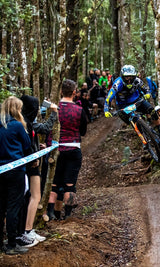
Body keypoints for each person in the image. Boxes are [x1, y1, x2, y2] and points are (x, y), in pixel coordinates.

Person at [19, 95, 57, 246]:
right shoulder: (25, 123)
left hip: (28, 163)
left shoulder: (24, 122)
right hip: (29, 165)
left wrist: (37, 146)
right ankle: (26, 231)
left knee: (32, 196)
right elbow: (45, 128)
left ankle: (27, 230)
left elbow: (31, 139)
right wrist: (54, 113)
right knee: (34, 196)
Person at [47, 79, 87, 220]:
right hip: (73, 148)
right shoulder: (79, 110)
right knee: (70, 184)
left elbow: (46, 128)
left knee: (54, 182)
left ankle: (52, 214)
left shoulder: (53, 109)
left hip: (54, 149)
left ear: (60, 91)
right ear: (74, 92)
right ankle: (68, 215)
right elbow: (83, 131)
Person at [0, 96, 31, 255]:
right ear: (15, 109)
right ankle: (12, 244)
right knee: (13, 207)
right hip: (15, 170)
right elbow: (27, 145)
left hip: (1, 170)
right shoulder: (17, 125)